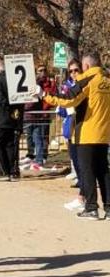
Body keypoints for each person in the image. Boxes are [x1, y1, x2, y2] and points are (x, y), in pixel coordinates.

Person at [41, 52, 110, 220]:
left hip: (86, 133)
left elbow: (68, 99)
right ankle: (109, 207)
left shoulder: (87, 80)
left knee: (86, 172)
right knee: (104, 171)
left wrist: (44, 95)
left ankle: (91, 207)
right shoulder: (107, 81)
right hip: (104, 133)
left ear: (86, 66)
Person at [0, 58, 24, 182]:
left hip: (0, 118)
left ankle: (3, 172)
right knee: (9, 145)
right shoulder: (13, 81)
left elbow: (0, 99)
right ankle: (12, 171)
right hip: (12, 118)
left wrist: (8, 110)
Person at [60, 59, 86, 212]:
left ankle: (84, 197)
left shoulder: (86, 85)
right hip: (71, 128)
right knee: (76, 164)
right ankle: (83, 196)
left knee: (86, 167)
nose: (74, 73)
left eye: (76, 70)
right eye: (71, 71)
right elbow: (61, 108)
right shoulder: (67, 87)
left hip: (84, 130)